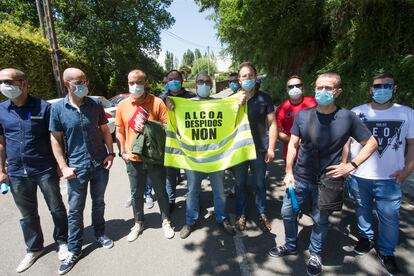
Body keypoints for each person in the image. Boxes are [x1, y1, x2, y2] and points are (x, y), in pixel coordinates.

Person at [269, 72, 378, 276]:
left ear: (337, 92)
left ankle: (315, 254)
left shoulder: (347, 117)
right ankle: (291, 245)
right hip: (300, 177)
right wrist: (288, 172)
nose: (322, 92)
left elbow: (371, 143)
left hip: (327, 182)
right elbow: (293, 145)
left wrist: (351, 165)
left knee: (320, 220)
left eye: (328, 88)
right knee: (287, 212)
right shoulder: (303, 115)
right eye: (319, 88)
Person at [0, 68, 68, 273]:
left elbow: (56, 138)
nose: (4, 86)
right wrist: (1, 170)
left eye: (8, 81)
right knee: (27, 214)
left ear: (23, 83)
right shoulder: (1, 110)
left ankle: (62, 241)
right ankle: (34, 248)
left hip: (44, 167)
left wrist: (60, 164)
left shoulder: (44, 108)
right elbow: (1, 143)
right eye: (1, 82)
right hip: (17, 172)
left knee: (56, 207)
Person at [50, 68, 115, 275]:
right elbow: (55, 139)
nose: (83, 84)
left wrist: (111, 153)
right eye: (79, 81)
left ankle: (100, 233)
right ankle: (74, 249)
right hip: (76, 169)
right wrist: (63, 166)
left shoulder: (94, 104)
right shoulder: (58, 109)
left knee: (99, 202)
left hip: (99, 164)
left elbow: (105, 130)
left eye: (85, 80)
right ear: (67, 83)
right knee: (75, 210)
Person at [347, 73, 414, 275]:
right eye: (378, 86)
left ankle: (386, 252)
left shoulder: (406, 113)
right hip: (360, 175)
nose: (382, 89)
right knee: (362, 209)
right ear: (371, 89)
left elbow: (412, 145)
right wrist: (346, 167)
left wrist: (406, 171)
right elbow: (347, 143)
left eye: (387, 86)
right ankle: (366, 239)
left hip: (390, 177)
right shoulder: (356, 113)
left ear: (394, 89)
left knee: (389, 217)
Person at [166, 72, 237, 239]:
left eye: (206, 81)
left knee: (219, 191)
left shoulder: (220, 104)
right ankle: (190, 220)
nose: (203, 84)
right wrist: (171, 108)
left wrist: (238, 104)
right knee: (192, 191)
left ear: (211, 84)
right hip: (194, 159)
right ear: (195, 84)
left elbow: (231, 118)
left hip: (216, 158)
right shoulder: (186, 105)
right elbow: (176, 125)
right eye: (200, 82)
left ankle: (222, 218)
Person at [116, 69, 174, 242]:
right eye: (131, 83)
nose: (135, 86)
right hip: (133, 158)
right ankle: (138, 222)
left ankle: (166, 220)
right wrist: (123, 152)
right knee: (136, 193)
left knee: (161, 191)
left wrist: (149, 125)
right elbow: (119, 131)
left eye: (138, 82)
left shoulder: (157, 103)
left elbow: (167, 127)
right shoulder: (122, 105)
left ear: (146, 83)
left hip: (154, 157)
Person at [233, 62, 277, 232]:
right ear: (239, 79)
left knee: (259, 183)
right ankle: (241, 214)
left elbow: (272, 124)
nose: (248, 78)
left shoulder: (264, 98)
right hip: (239, 150)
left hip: (259, 149)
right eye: (244, 76)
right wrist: (236, 105)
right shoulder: (232, 99)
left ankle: (262, 213)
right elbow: (225, 125)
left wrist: (271, 148)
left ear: (256, 77)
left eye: (251, 75)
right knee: (240, 184)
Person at [160, 69, 195, 212]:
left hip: (189, 143)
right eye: (171, 79)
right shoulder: (161, 99)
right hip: (170, 143)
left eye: (177, 79)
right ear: (167, 81)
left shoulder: (191, 97)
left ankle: (192, 201)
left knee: (191, 175)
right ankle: (170, 202)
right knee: (170, 176)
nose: (174, 81)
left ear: (182, 81)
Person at [275, 75, 317, 160]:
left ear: (303, 88)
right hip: (292, 155)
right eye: (291, 87)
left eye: (298, 85)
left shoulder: (314, 102)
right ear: (287, 90)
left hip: (315, 153)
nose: (295, 88)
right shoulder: (281, 109)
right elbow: (278, 133)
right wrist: (296, 141)